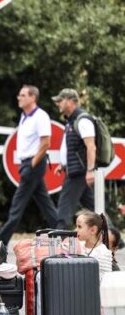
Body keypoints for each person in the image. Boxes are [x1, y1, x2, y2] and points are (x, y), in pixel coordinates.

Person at [0, 85, 58, 263]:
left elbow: (46, 142)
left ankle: (0, 244)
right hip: (28, 163)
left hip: (34, 163)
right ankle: (64, 235)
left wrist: (32, 164)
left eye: (23, 95)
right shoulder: (25, 116)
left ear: (33, 98)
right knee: (46, 204)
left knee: (17, 205)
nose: (19, 97)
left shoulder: (41, 116)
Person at [53, 88, 96, 228]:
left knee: (64, 207)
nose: (58, 103)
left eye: (61, 100)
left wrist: (90, 170)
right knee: (93, 208)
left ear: (71, 101)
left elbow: (91, 147)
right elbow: (74, 148)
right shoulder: (71, 121)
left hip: (79, 171)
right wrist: (64, 165)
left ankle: (59, 237)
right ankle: (115, 239)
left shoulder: (82, 120)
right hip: (75, 169)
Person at [75, 209, 112, 280]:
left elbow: (105, 280)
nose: (76, 230)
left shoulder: (103, 253)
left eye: (79, 227)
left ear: (93, 230)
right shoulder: (78, 245)